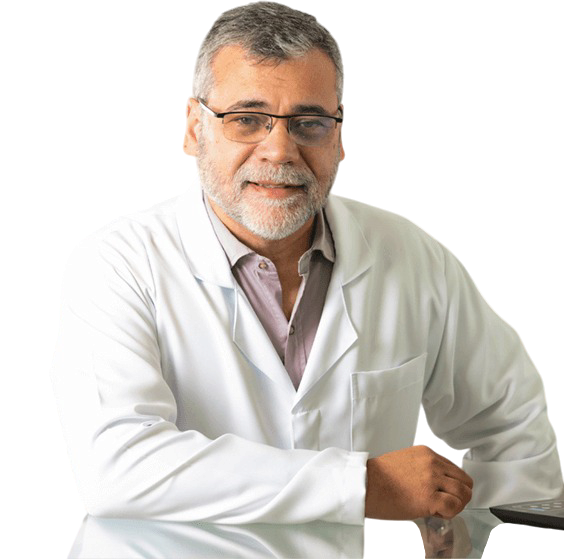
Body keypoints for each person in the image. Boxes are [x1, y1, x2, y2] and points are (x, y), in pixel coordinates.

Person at [48, 2, 563, 524]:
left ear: (337, 137)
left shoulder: (410, 255)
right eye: (246, 120)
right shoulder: (117, 264)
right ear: (194, 129)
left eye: (309, 123)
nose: (279, 151)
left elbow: (517, 437)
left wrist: (457, 523)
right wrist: (365, 486)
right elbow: (116, 468)